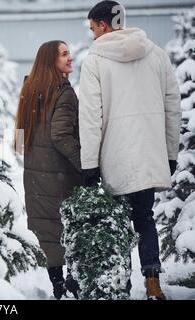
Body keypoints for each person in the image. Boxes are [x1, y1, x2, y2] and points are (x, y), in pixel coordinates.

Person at [78, 1, 181, 300]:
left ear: (104, 25)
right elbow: (173, 108)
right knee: (144, 217)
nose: (92, 35)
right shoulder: (157, 54)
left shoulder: (94, 61)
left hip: (115, 157)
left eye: (92, 28)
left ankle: (119, 284)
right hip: (149, 154)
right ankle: (152, 282)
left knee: (117, 222)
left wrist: (89, 164)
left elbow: (90, 117)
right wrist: (170, 153)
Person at [15, 41, 82, 299]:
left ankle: (58, 288)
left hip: (35, 176)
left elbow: (20, 139)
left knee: (49, 233)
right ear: (50, 61)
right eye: (64, 54)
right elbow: (62, 135)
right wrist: (85, 166)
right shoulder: (64, 92)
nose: (70, 58)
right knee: (70, 230)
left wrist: (35, 159)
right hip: (62, 174)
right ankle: (71, 285)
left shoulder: (29, 90)